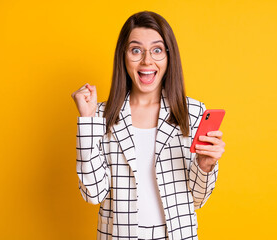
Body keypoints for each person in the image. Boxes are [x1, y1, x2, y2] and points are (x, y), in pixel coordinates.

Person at [71, 11, 225, 240]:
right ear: (123, 56)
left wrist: (205, 166)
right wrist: (87, 120)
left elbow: (197, 199)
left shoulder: (193, 113)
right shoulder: (101, 116)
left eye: (157, 50)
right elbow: (93, 194)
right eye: (136, 50)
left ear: (168, 56)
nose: (147, 61)